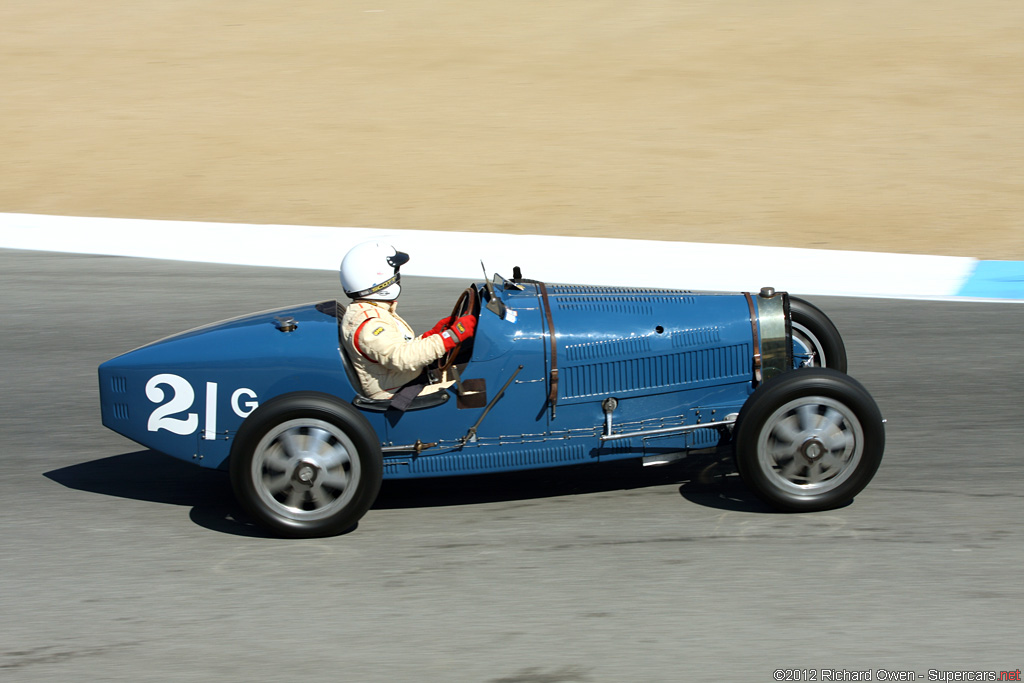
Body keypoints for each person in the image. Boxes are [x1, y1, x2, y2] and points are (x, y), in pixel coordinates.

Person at [339, 240, 476, 401]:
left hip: (405, 379)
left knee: (480, 368)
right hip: (397, 394)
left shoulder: (372, 310)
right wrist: (452, 335)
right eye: (395, 272)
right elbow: (402, 358)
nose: (398, 276)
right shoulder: (369, 323)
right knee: (482, 388)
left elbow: (399, 348)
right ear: (379, 278)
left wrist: (433, 334)